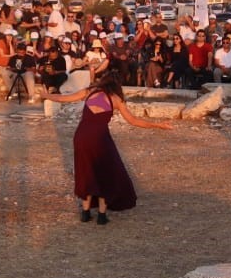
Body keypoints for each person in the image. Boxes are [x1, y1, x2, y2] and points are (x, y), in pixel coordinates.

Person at [45, 71, 172, 224]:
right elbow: (133, 120)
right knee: (105, 174)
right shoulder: (116, 99)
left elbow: (63, 98)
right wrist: (158, 125)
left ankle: (85, 213)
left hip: (81, 136)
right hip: (100, 139)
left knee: (86, 172)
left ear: (104, 81)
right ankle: (102, 215)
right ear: (117, 85)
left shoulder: (89, 91)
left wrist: (46, 95)